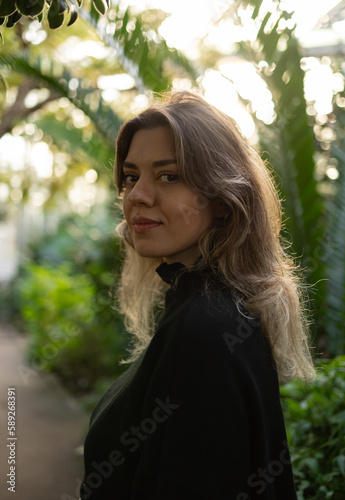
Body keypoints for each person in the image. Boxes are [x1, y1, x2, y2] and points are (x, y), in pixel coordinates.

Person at [80, 90, 315, 500]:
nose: (136, 195)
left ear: (224, 200)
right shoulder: (211, 308)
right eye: (131, 176)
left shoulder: (207, 327)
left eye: (168, 175)